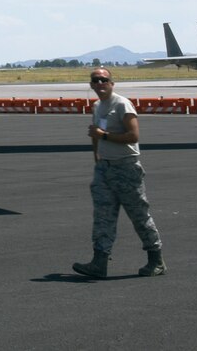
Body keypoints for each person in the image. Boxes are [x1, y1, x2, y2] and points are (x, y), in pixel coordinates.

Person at [73, 68, 165, 277]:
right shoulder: (97, 106)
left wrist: (103, 136)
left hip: (126, 167)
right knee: (103, 216)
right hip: (105, 168)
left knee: (139, 215)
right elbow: (95, 134)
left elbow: (133, 135)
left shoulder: (122, 104)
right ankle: (99, 262)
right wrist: (97, 157)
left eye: (104, 80)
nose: (99, 84)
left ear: (111, 83)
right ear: (91, 85)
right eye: (95, 80)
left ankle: (156, 259)